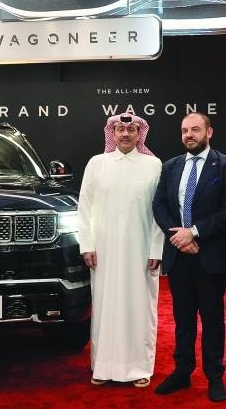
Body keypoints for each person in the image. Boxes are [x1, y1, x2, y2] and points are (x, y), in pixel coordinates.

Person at [152, 112, 226, 402]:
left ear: (209, 132)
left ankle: (214, 376)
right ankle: (182, 371)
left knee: (212, 318)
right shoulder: (170, 166)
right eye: (185, 130)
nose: (189, 135)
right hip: (180, 256)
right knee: (183, 317)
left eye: (195, 130)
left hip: (209, 255)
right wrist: (179, 237)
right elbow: (160, 205)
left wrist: (195, 233)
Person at [78, 113, 164, 388]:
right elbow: (85, 208)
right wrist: (87, 244)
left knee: (140, 308)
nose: (125, 134)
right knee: (105, 307)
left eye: (131, 129)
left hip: (141, 252)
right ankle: (102, 367)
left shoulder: (153, 164)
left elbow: (159, 212)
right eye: (120, 129)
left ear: (140, 134)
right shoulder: (97, 164)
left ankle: (140, 367)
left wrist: (156, 248)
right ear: (111, 134)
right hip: (103, 252)